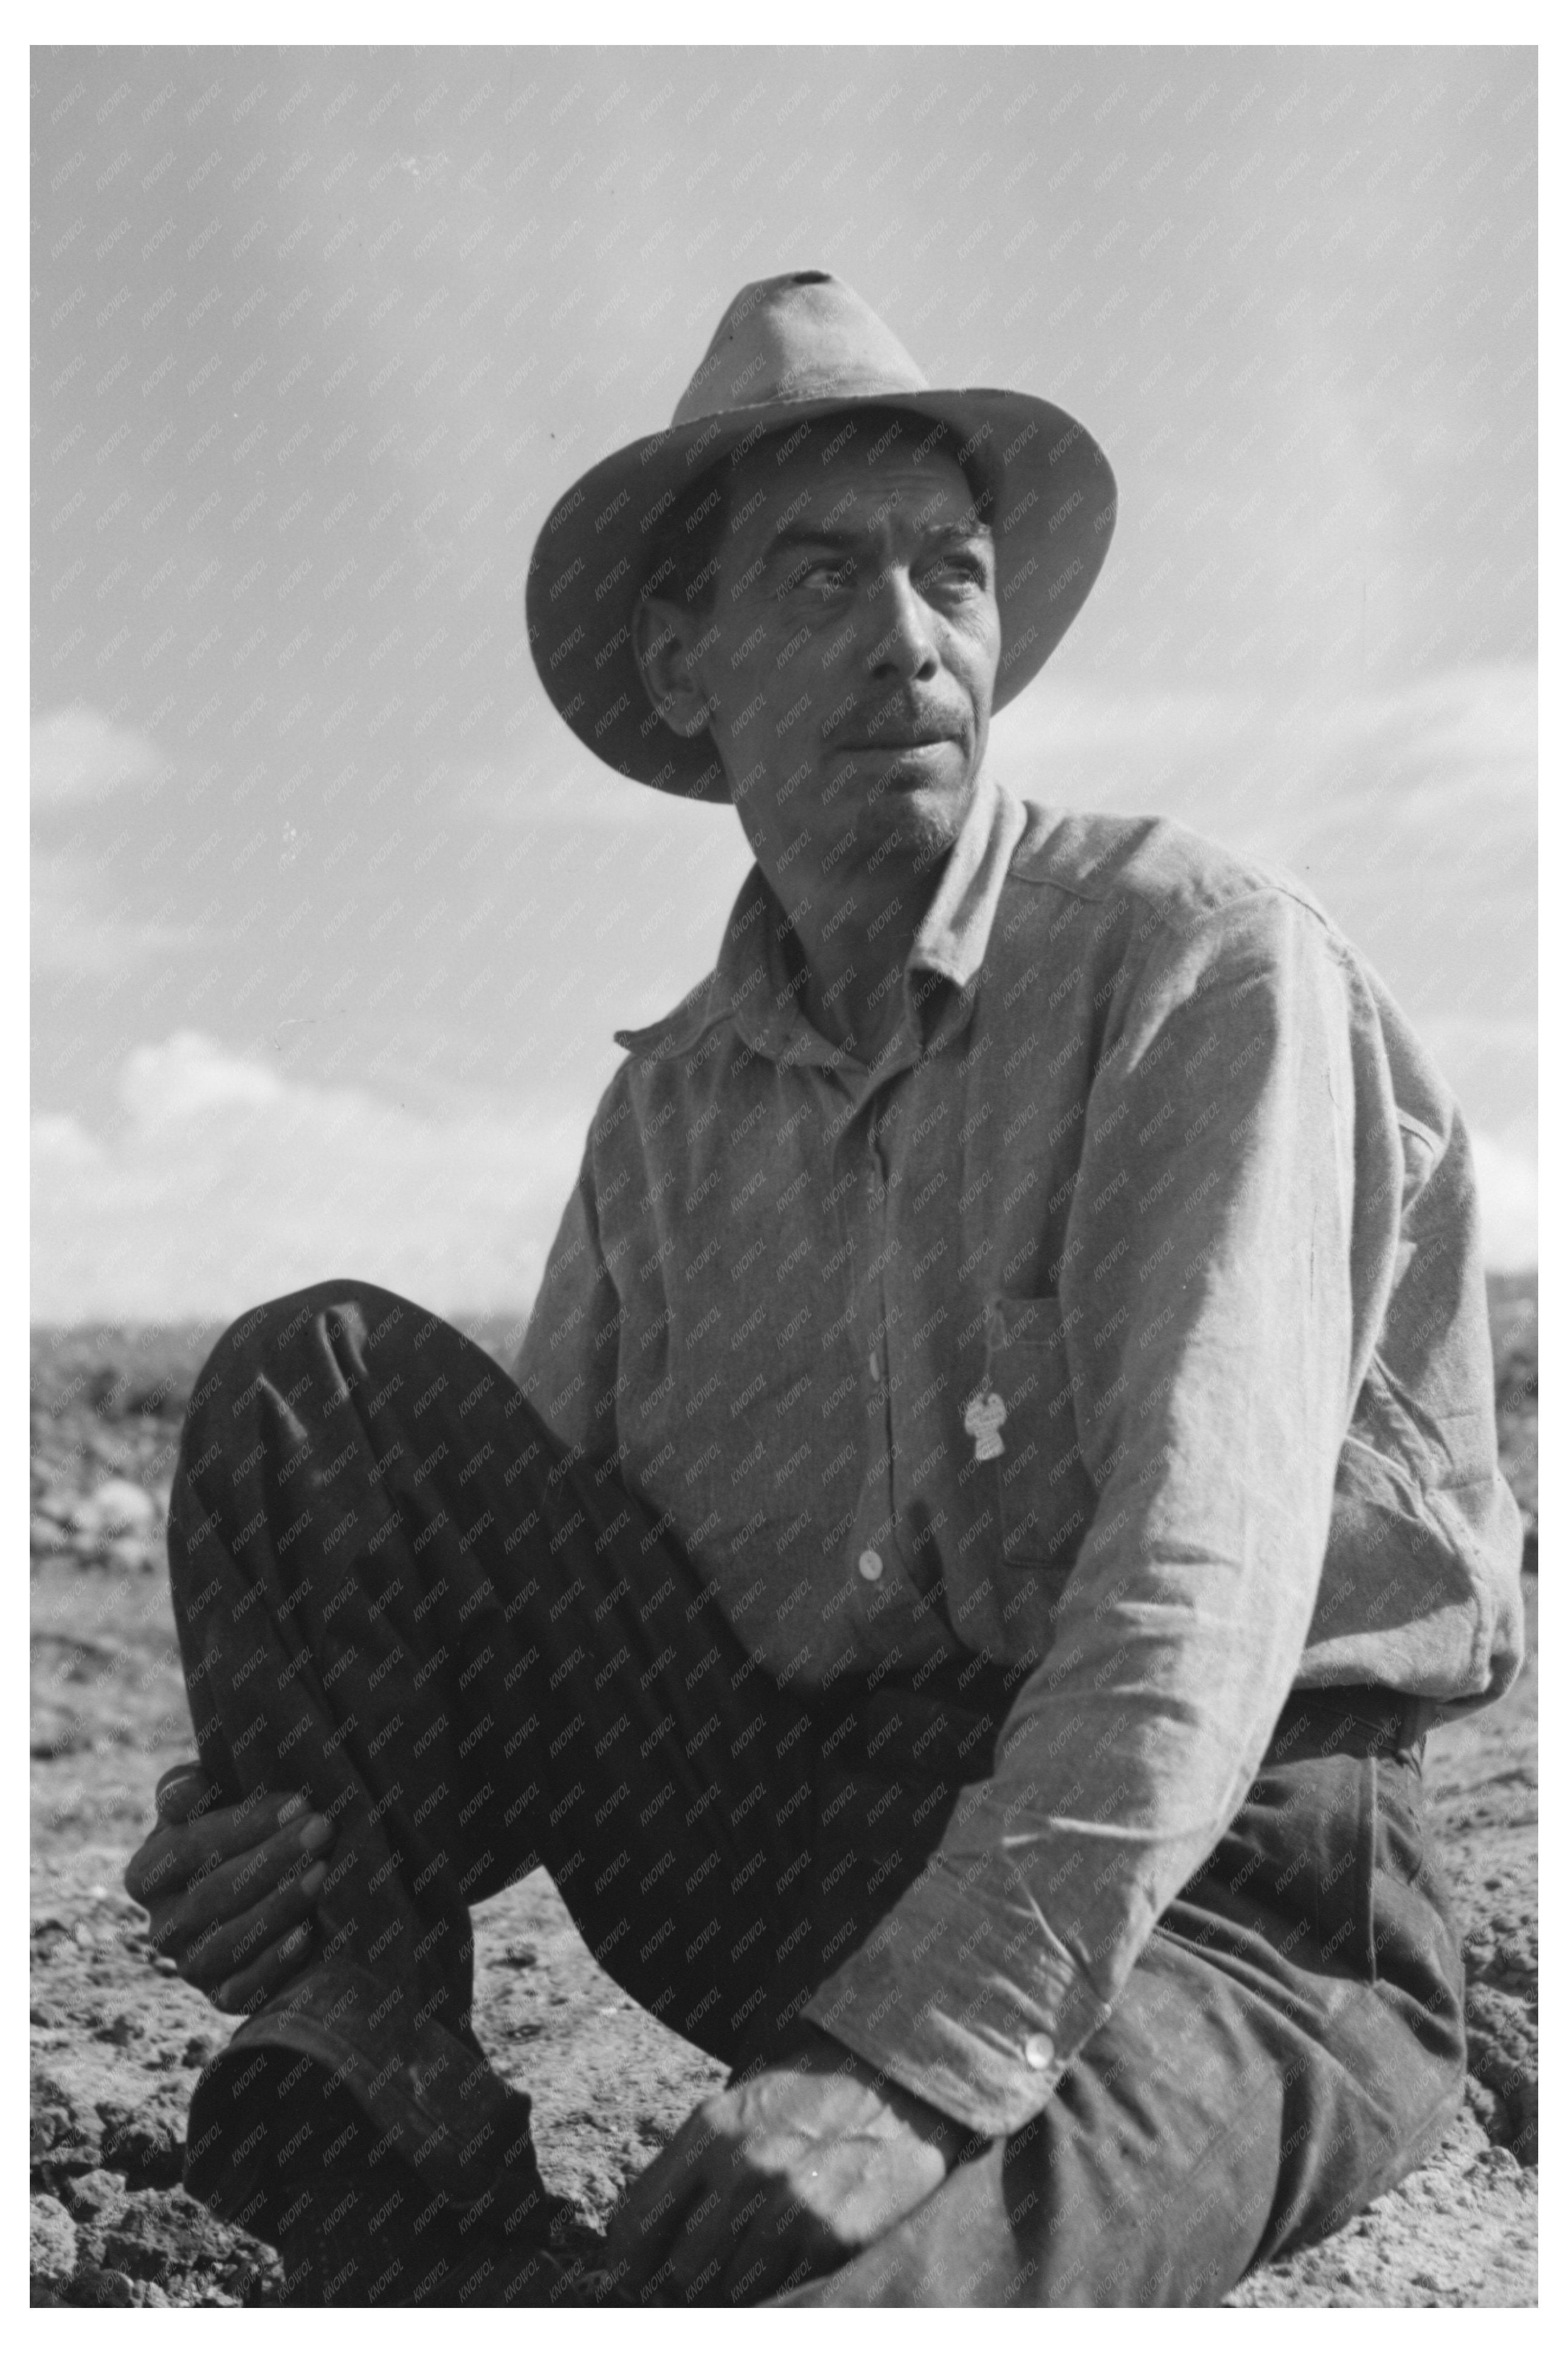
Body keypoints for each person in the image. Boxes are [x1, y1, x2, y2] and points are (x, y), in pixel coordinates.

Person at [125, 271, 1524, 2308]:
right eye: (817, 578)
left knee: (853, 2306)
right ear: (682, 666)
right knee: (308, 1383)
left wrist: (906, 2059)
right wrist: (282, 1843)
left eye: (947, 575)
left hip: (1235, 1893)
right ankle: (387, 2076)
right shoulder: (668, 1118)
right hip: (815, 1840)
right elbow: (489, 1640)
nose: (907, 638)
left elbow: (1195, 1595)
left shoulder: (1192, 962)